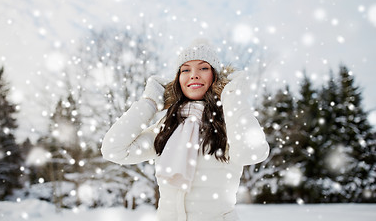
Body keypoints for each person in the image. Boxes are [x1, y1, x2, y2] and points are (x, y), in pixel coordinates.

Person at [101, 39, 270, 221]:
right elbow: (114, 150)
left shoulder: (228, 121)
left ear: (215, 76)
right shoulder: (168, 126)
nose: (194, 75)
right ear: (178, 80)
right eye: (185, 70)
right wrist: (149, 103)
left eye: (203, 68)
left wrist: (232, 95)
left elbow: (251, 153)